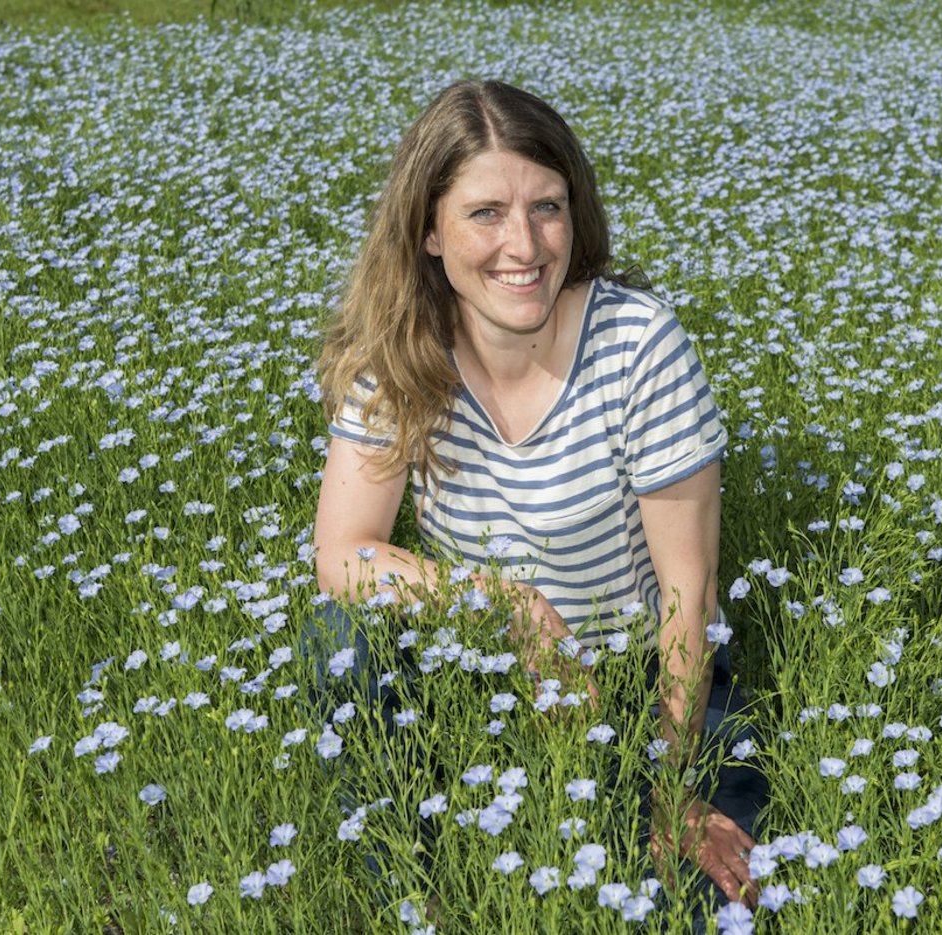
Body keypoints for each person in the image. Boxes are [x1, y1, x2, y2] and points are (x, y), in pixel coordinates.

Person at [311, 78, 767, 926]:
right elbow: (342, 553)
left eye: (547, 208)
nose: (523, 244)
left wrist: (670, 782)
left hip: (644, 686)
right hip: (482, 673)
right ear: (429, 233)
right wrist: (503, 607)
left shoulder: (639, 345)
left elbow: (687, 597)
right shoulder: (402, 354)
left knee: (700, 895)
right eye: (486, 212)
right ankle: (411, 896)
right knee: (339, 638)